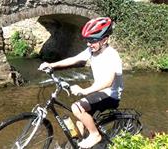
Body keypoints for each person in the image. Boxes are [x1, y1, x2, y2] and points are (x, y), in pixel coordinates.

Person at [38, 17, 123, 148]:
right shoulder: (92, 51)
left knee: (76, 108)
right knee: (79, 124)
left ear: (104, 40)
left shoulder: (112, 55)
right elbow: (74, 59)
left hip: (110, 95)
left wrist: (84, 91)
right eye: (87, 40)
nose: (89, 44)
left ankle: (95, 135)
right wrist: (51, 65)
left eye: (92, 41)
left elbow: (108, 82)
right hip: (99, 92)